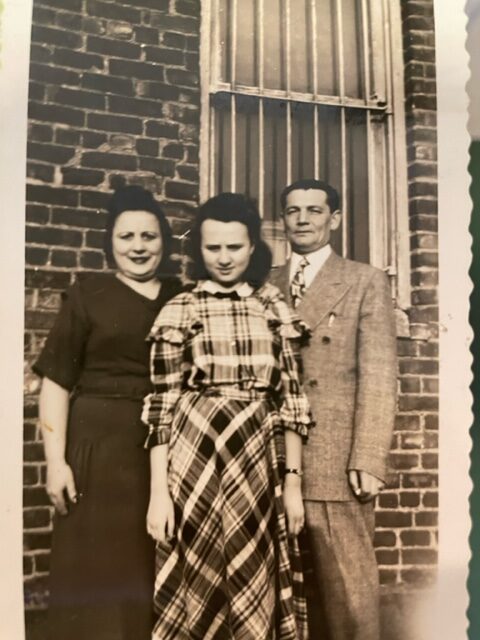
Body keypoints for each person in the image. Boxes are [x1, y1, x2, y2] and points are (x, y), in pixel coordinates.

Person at [142, 192, 314, 640]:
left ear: (253, 246)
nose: (223, 258)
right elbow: (162, 405)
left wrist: (293, 485)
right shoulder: (180, 308)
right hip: (192, 461)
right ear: (198, 249)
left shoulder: (272, 307)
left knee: (251, 569)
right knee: (198, 575)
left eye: (234, 247)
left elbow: (292, 402)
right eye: (212, 247)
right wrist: (159, 494)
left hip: (254, 462)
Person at [33, 185, 183, 640]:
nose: (138, 247)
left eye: (149, 236)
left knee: (152, 566)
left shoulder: (183, 296)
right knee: (94, 571)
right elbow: (56, 383)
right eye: (126, 237)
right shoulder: (87, 294)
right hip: (95, 451)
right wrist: (55, 462)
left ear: (164, 242)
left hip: (164, 449)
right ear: (110, 242)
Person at [270, 179, 397, 640]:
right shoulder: (266, 282)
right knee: (281, 591)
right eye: (292, 211)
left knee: (346, 593)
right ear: (282, 220)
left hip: (334, 458)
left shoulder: (364, 280)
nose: (302, 219)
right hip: (274, 457)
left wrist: (367, 457)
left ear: (335, 219)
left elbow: (380, 374)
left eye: (314, 210)